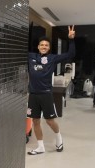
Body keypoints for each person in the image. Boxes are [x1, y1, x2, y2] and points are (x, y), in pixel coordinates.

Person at [27, 25, 75, 155]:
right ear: (38, 47)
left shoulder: (52, 58)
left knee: (49, 121)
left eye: (46, 45)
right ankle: (40, 147)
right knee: (35, 121)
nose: (44, 47)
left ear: (49, 48)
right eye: (41, 45)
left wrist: (70, 39)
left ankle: (59, 138)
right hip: (33, 95)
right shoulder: (30, 56)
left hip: (46, 94)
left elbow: (71, 54)